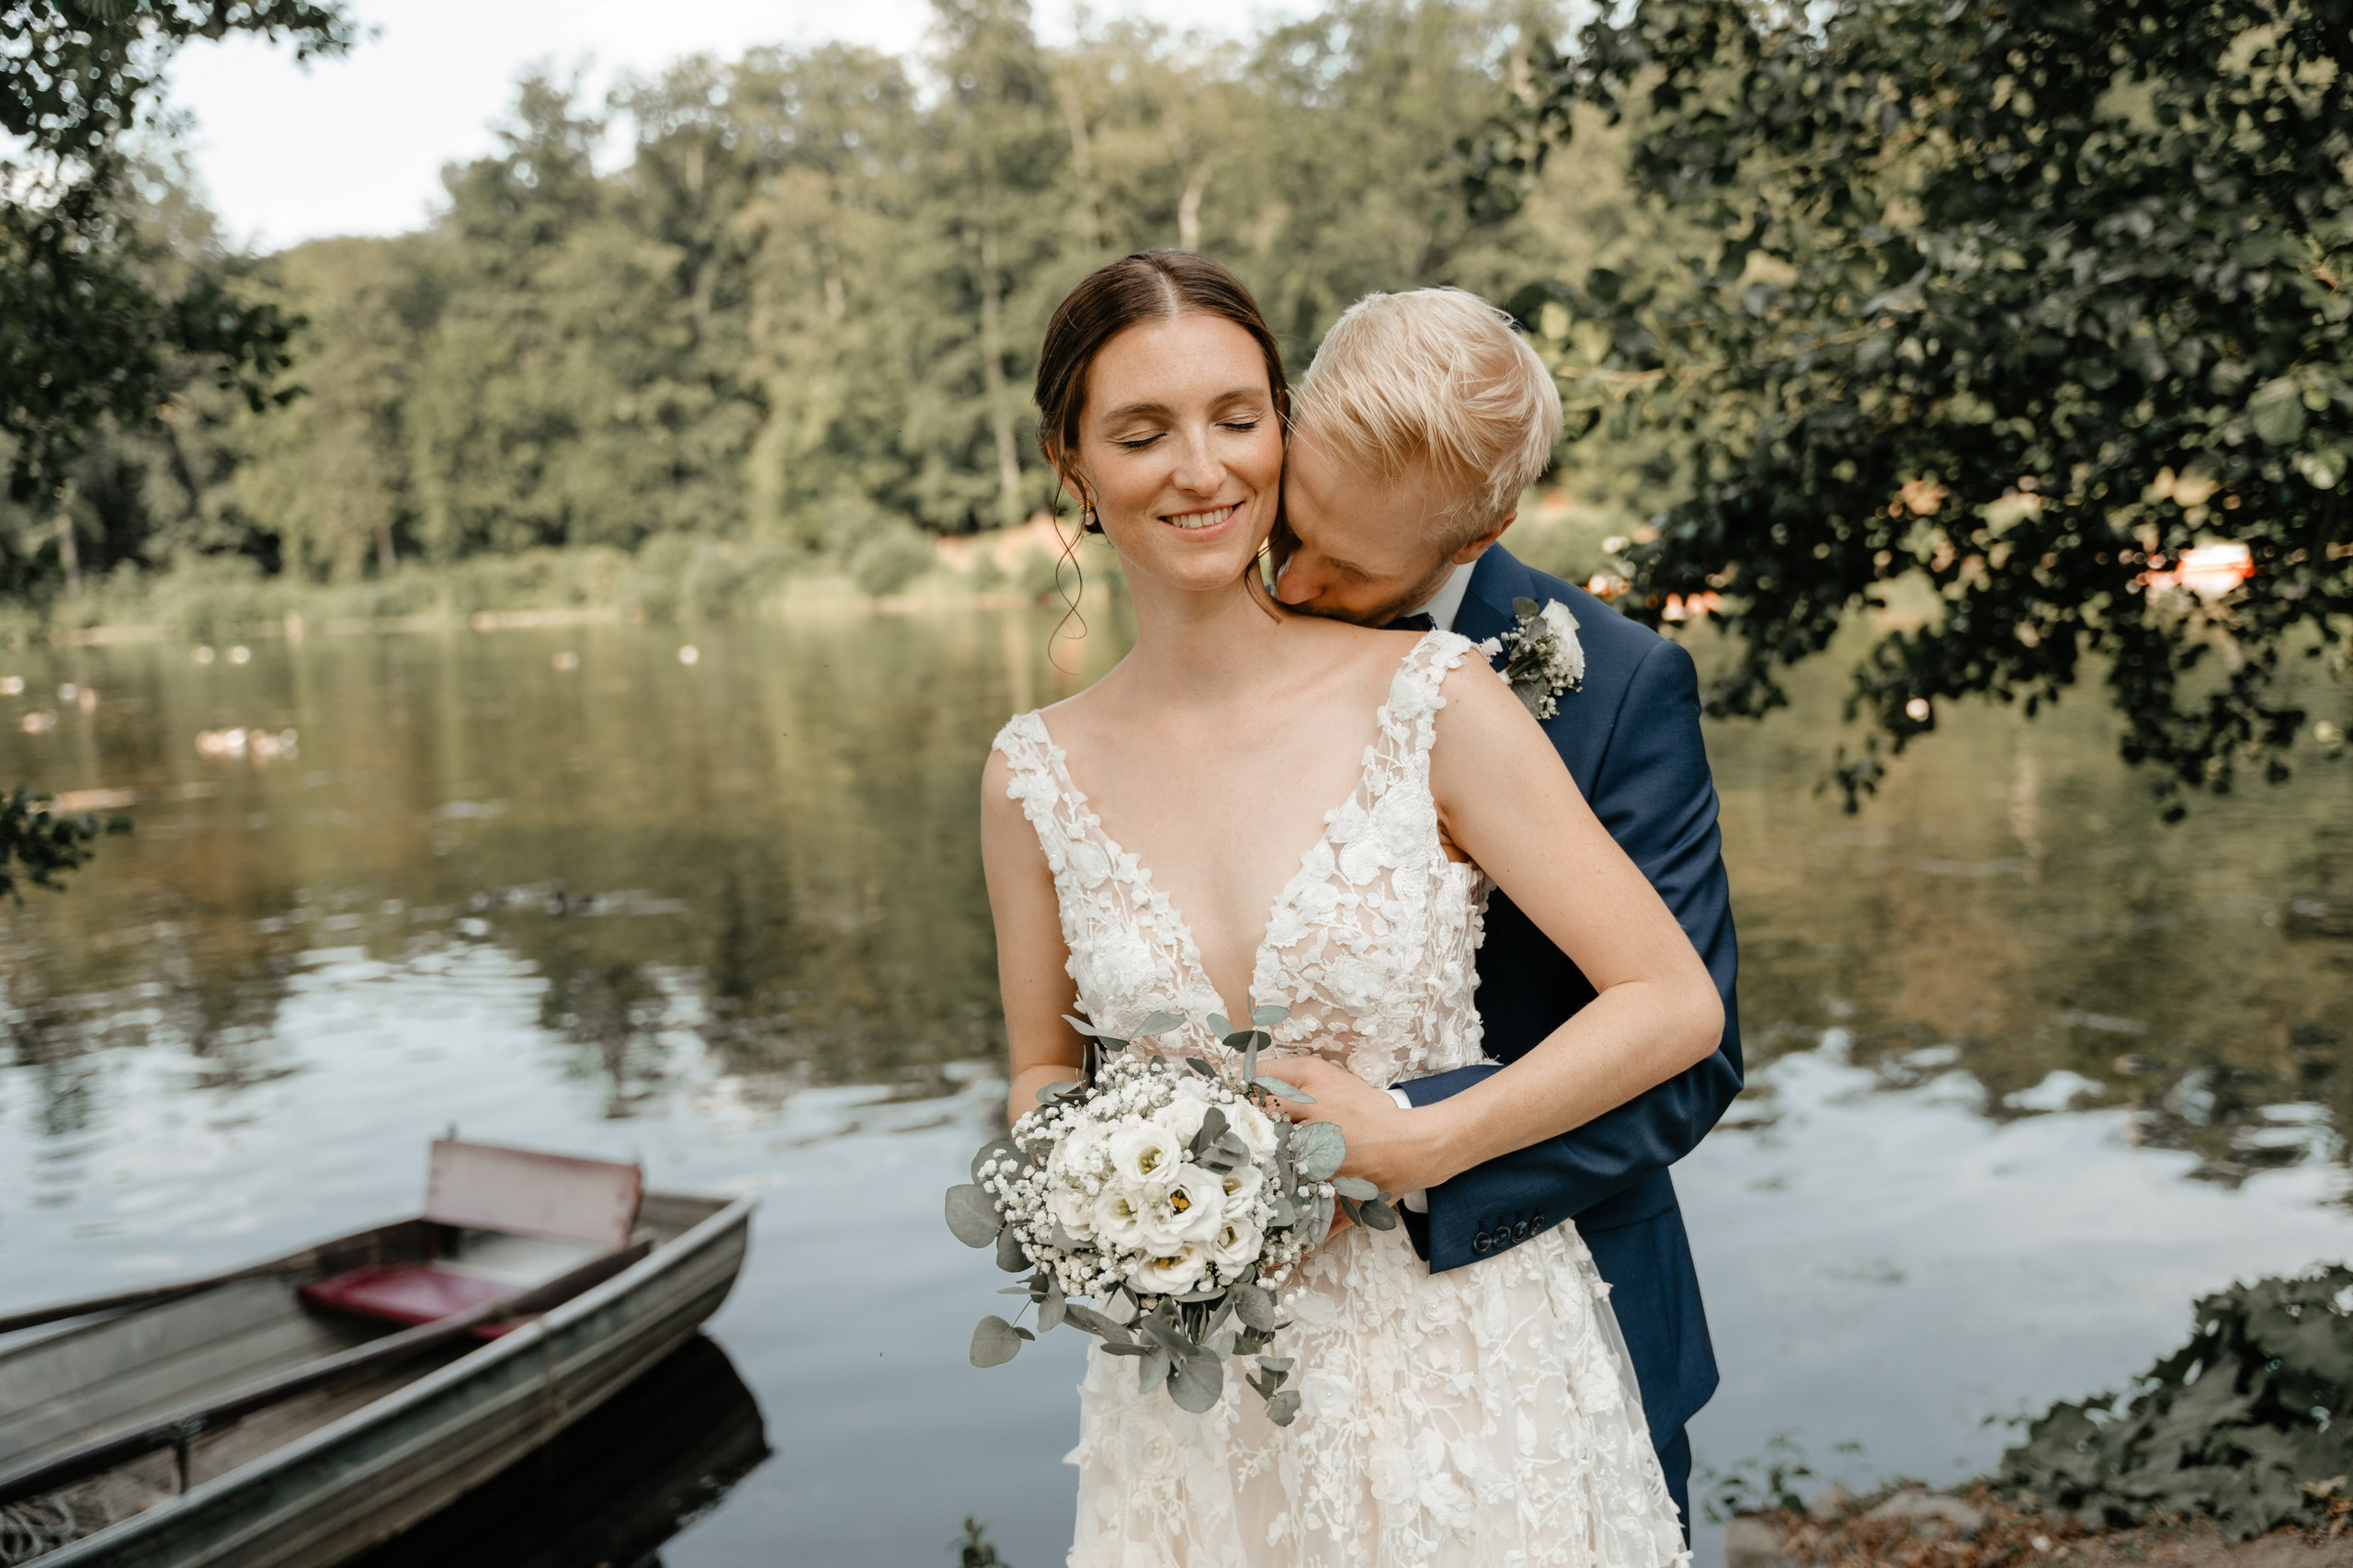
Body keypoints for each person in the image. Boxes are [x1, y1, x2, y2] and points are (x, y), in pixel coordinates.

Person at [981, 249, 1721, 1564]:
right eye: (1141, 434)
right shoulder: (1031, 773)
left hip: (1481, 1347)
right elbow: (1046, 1069)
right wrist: (1109, 1204)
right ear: (1072, 464)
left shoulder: (1456, 693)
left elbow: (1682, 1023)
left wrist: (1418, 1143)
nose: (1294, 569)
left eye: (1233, 420)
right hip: (1201, 1399)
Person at [1269, 287, 1745, 1533]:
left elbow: (1692, 1064)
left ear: (1481, 530)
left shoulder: (1619, 689)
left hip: (1569, 1331)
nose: (1296, 582)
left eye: (1352, 567)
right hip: (1277, 1355)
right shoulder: (1229, 621)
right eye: (1293, 530)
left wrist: (1413, 1143)